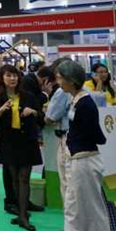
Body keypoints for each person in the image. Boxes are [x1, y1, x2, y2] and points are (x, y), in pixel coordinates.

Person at [0, 65, 44, 231]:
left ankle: (23, 216)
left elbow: (41, 118)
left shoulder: (28, 96)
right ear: (2, 78)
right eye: (8, 75)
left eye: (15, 75)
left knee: (24, 178)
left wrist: (33, 112)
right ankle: (21, 213)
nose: (12, 78)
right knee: (15, 180)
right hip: (9, 142)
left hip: (27, 141)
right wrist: (0, 111)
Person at [58, 60, 109, 231]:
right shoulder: (77, 100)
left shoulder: (85, 104)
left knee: (77, 210)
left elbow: (96, 135)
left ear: (71, 81)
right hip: (79, 160)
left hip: (84, 161)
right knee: (82, 209)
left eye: (60, 78)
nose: (58, 82)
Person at [45, 63, 73, 205]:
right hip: (83, 142)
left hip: (67, 140)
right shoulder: (85, 90)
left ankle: (71, 213)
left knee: (67, 181)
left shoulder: (62, 91)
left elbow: (50, 117)